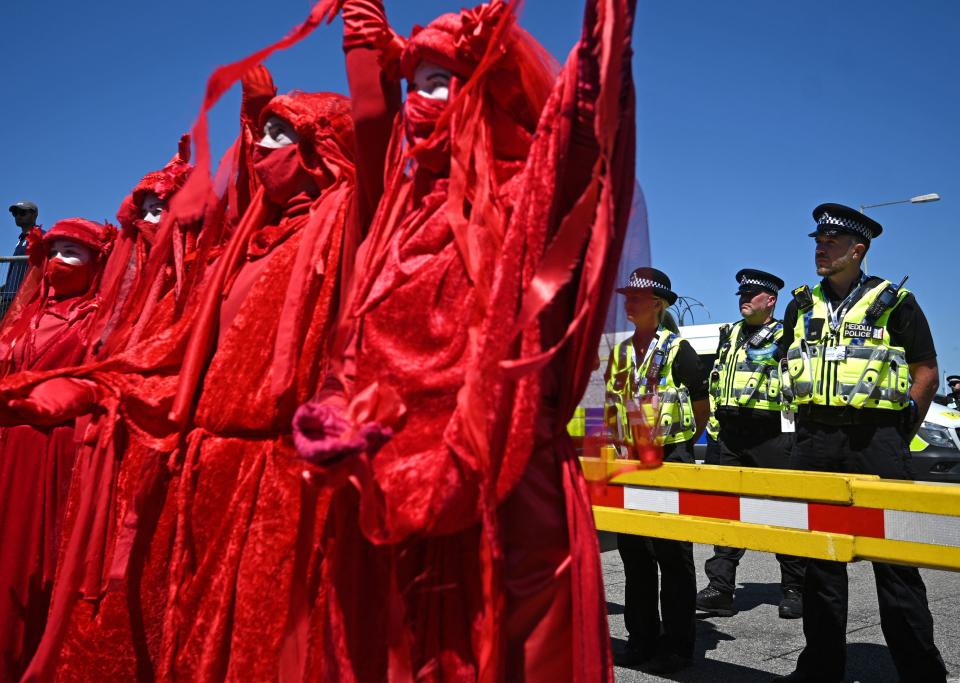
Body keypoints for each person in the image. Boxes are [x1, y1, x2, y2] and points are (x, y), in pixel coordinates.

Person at [292, 0, 637, 679]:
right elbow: (361, 342)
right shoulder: (399, 212)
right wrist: (334, 409)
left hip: (505, 508)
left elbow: (586, 143)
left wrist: (603, 49)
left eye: (436, 80)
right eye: (411, 81)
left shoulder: (524, 195)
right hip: (393, 506)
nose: (418, 101)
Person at [775, 203, 947, 683]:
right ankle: (821, 669)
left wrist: (897, 432)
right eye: (817, 240)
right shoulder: (800, 304)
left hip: (876, 441)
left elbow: (926, 374)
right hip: (814, 441)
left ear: (858, 250)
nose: (820, 247)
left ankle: (921, 673)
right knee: (820, 562)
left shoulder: (895, 302)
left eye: (830, 241)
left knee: (896, 563)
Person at [0, 218, 115, 682]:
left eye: (73, 253)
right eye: (53, 252)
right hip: (8, 446)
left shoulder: (103, 319)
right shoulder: (23, 319)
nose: (56, 263)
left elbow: (100, 379)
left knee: (39, 559)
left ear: (97, 264)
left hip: (58, 450)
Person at [605, 267, 709, 673]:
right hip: (631, 461)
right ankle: (641, 638)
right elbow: (608, 408)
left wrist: (679, 447)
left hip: (670, 459)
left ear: (658, 304)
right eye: (626, 297)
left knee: (672, 554)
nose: (628, 304)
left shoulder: (679, 351)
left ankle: (678, 645)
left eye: (636, 298)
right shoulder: (620, 352)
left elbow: (701, 407)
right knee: (636, 554)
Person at [696, 269, 806, 619]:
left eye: (752, 294)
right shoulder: (730, 334)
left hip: (772, 433)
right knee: (727, 514)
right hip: (731, 434)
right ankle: (721, 588)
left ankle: (794, 588)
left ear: (770, 300)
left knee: (783, 513)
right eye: (741, 294)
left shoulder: (787, 334)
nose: (744, 299)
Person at [1, 201, 40, 319]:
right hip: (9, 296)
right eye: (15, 213)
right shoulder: (21, 239)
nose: (18, 216)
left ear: (34, 215)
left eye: (22, 212)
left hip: (24, 297)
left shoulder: (40, 236)